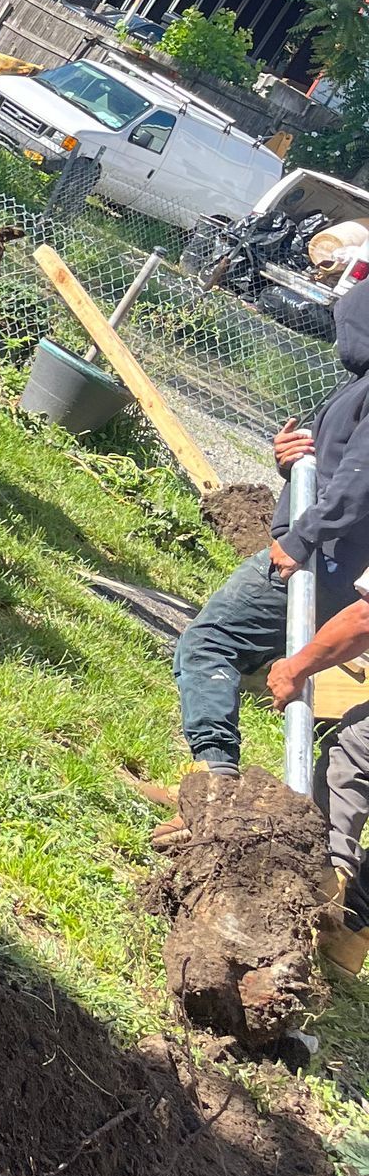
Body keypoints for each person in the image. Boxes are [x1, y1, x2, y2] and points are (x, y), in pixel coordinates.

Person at [166, 283, 369, 943]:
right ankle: (310, 881)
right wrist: (291, 467)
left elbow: (359, 487)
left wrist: (303, 540)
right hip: (322, 557)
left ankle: (215, 790)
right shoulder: (357, 383)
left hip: (321, 562)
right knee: (344, 758)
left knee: (209, 642)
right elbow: (328, 461)